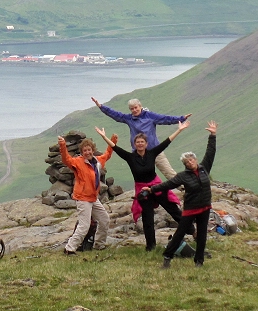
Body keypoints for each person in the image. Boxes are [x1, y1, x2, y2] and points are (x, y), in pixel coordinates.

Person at [96, 120, 189, 251]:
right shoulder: (130, 157)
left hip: (156, 187)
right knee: (147, 219)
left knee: (173, 210)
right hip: (142, 192)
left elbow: (166, 142)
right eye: (137, 142)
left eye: (142, 142)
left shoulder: (152, 153)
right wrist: (104, 136)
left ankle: (192, 231)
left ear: (146, 144)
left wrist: (179, 129)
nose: (140, 144)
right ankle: (151, 247)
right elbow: (115, 148)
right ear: (135, 145)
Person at [143, 120, 218, 268]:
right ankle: (167, 257)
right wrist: (151, 189)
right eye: (187, 162)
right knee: (180, 234)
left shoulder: (204, 168)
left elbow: (210, 153)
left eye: (191, 160)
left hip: (205, 208)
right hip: (190, 209)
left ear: (195, 159)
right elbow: (167, 185)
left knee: (202, 235)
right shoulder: (183, 176)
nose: (190, 162)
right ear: (185, 165)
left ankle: (199, 261)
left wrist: (213, 135)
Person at [92, 97, 190, 180]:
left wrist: (181, 118)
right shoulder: (129, 118)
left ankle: (183, 188)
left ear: (140, 106)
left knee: (168, 171)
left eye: (136, 107)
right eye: (131, 109)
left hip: (155, 150)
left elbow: (165, 119)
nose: (134, 110)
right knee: (142, 175)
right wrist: (101, 106)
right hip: (138, 154)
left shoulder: (150, 116)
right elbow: (115, 115)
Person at [57, 134, 114, 255]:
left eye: (89, 150)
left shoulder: (98, 162)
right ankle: (69, 249)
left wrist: (112, 142)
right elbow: (66, 159)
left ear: (93, 150)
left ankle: (99, 245)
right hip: (83, 198)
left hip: (93, 198)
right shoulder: (78, 162)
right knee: (84, 225)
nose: (87, 152)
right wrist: (62, 145)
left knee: (104, 220)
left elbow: (107, 155)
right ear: (82, 152)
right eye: (85, 150)